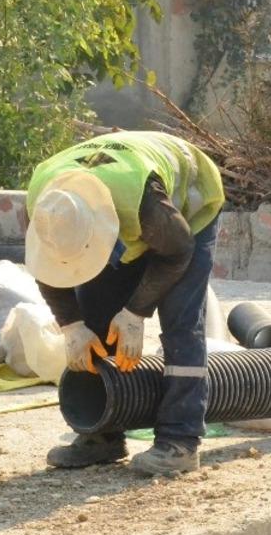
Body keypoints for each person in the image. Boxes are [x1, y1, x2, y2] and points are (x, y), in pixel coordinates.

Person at [23, 130, 224, 477]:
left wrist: (135, 312)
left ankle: (180, 442)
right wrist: (72, 325)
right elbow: (46, 266)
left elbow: (178, 252)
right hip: (132, 210)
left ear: (100, 227)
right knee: (95, 315)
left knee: (180, 323)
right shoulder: (44, 208)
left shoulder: (141, 203)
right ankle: (102, 434)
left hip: (186, 218)